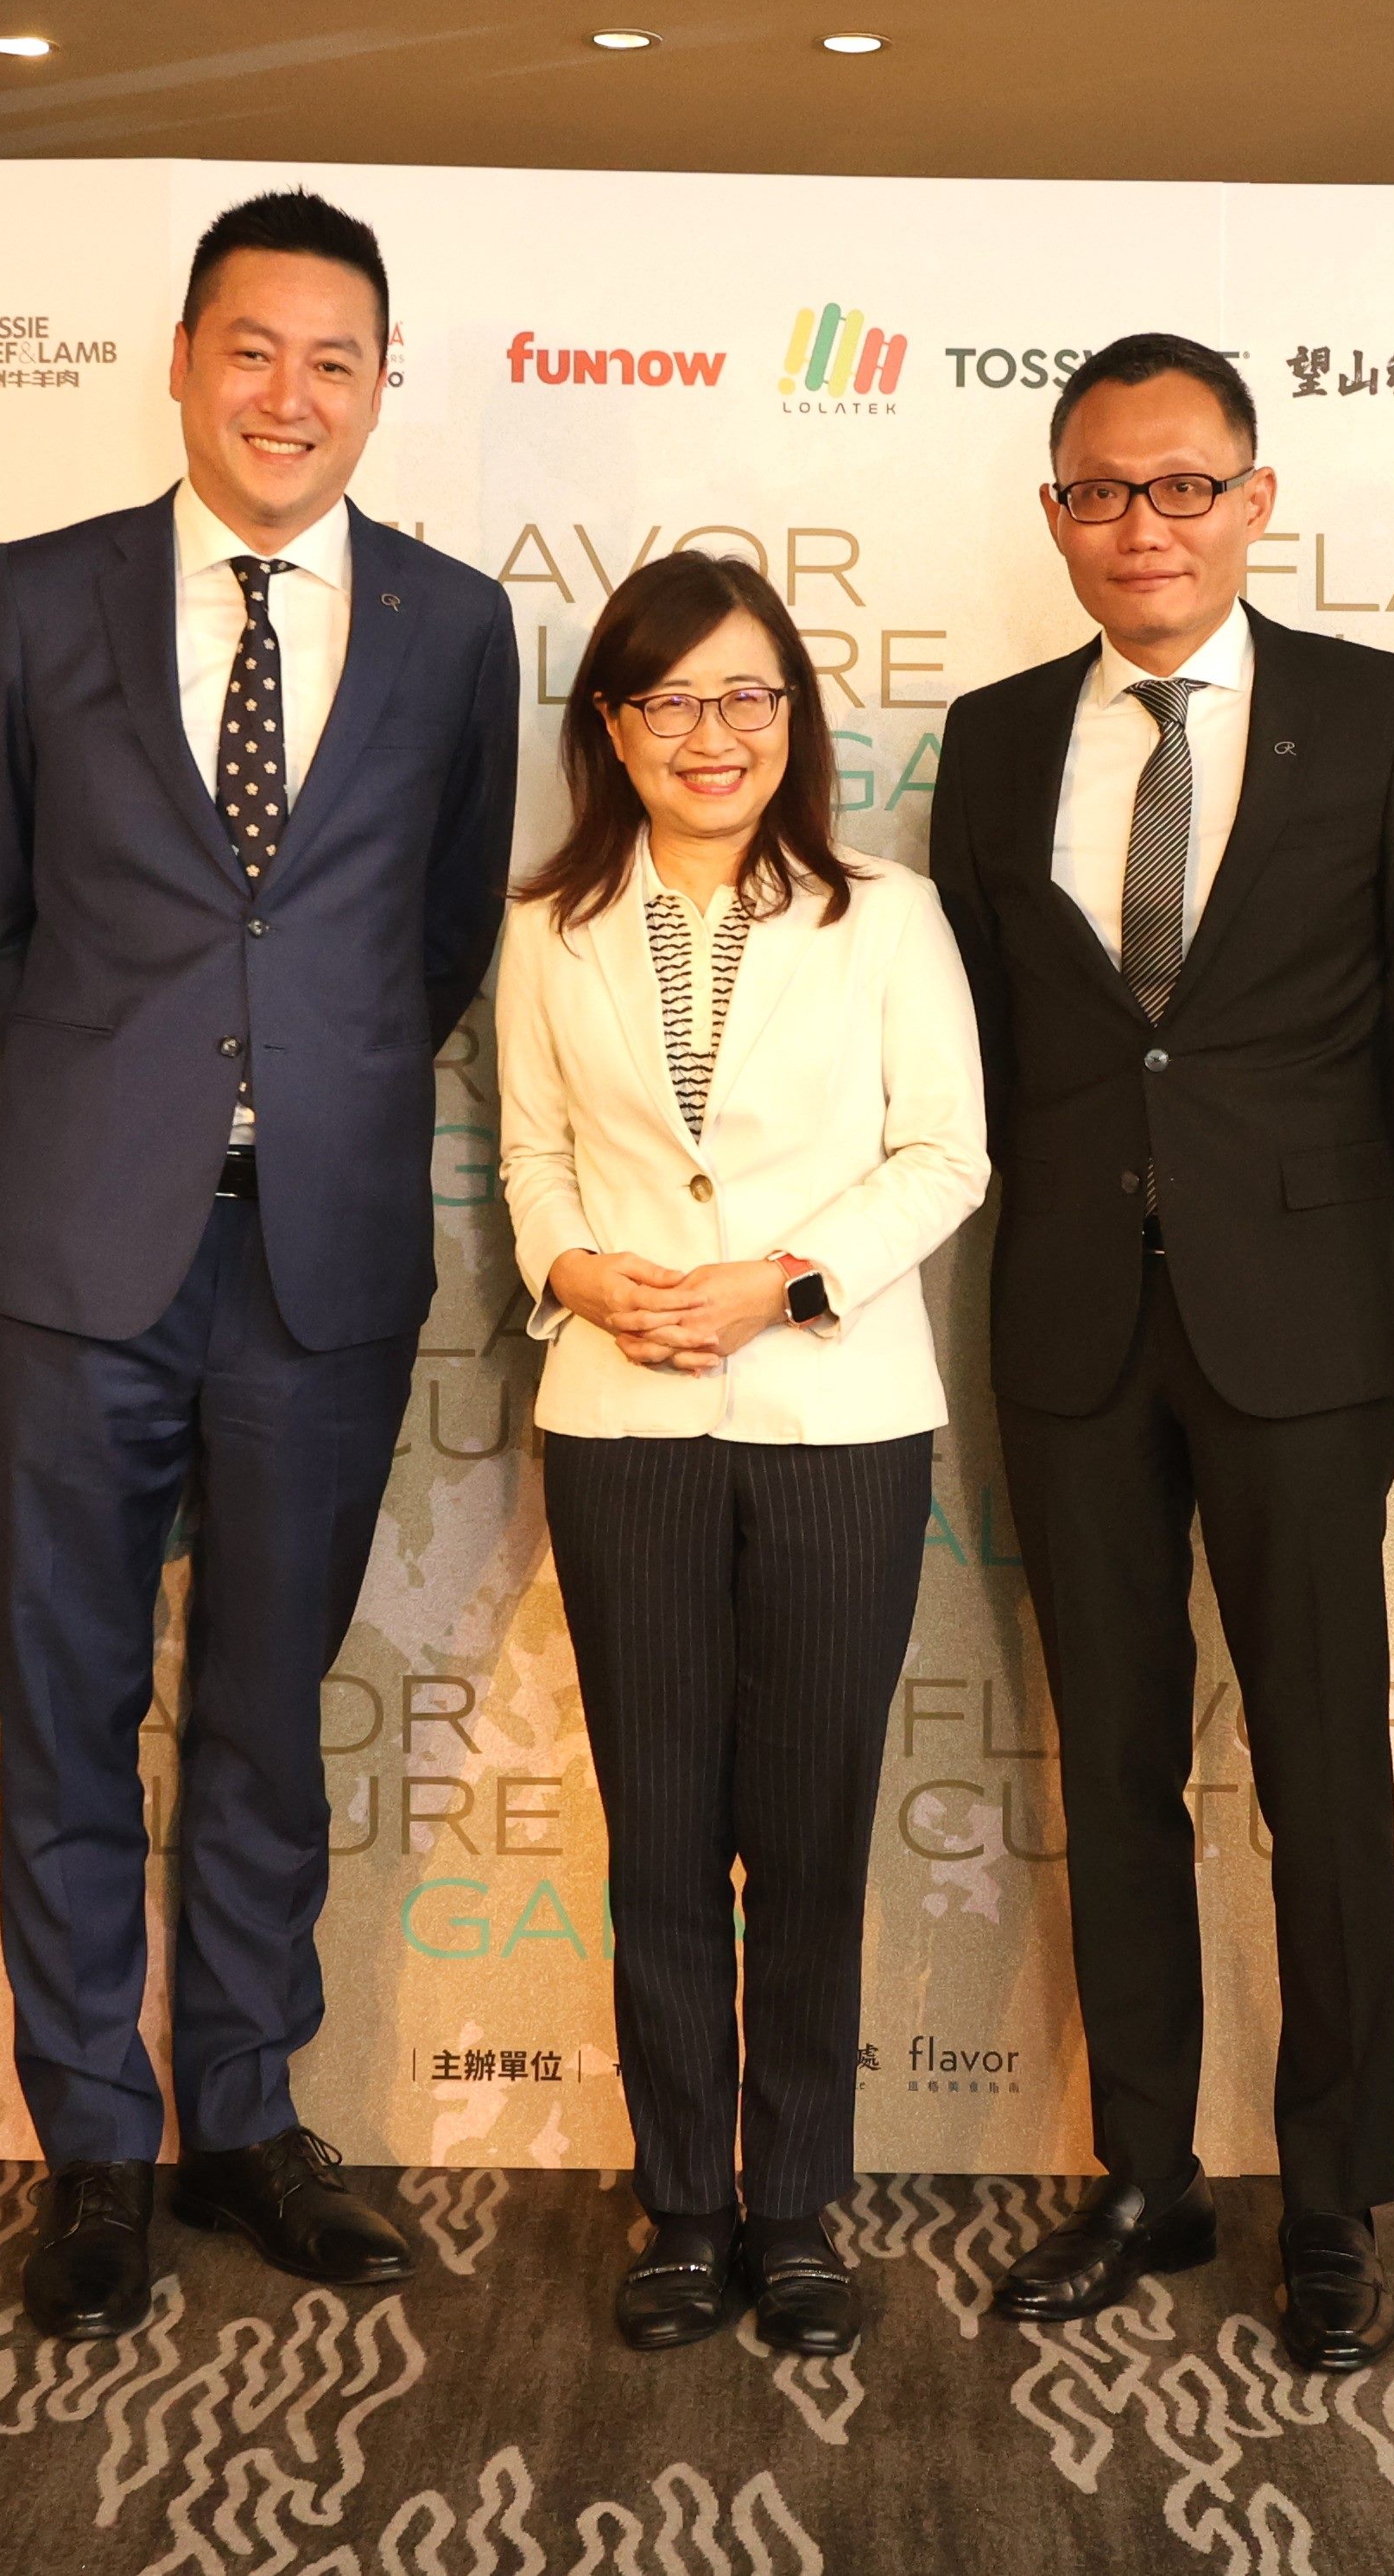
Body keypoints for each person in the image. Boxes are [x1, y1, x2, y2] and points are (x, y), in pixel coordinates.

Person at [0, 188, 523, 2339]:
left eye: (334, 358)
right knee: (72, 1706)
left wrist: (302, 1093)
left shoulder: (457, 623)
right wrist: (143, 1098)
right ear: (183, 362)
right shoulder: (42, 596)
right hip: (83, 1245)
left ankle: (249, 2115)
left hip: (322, 1255)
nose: (291, 394)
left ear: (381, 383)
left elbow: (439, 935)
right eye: (253, 349)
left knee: (269, 1712)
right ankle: (97, 2142)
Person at [932, 333, 1394, 2372]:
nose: (1144, 524)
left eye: (1183, 485)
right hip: (1072, 1322)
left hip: (1303, 1329)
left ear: (1256, 500)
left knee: (1321, 1771)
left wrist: (1336, 1248)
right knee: (1114, 1764)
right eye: (1102, 489)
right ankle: (1148, 2173)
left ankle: (1335, 2197)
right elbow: (985, 1036)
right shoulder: (997, 740)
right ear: (1057, 514)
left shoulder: (1378, 713)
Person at [493, 551, 990, 2359]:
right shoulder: (547, 925)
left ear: (795, 717)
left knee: (807, 1831)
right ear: (613, 728)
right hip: (622, 1423)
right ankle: (682, 2206)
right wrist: (576, 1270)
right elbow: (532, 1156)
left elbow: (944, 1155)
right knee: (658, 1835)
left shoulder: (888, 913)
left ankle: (793, 2203)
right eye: (672, 700)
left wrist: (779, 1282)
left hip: (835, 1422)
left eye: (748, 696)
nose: (714, 733)